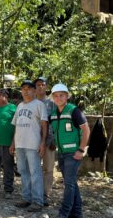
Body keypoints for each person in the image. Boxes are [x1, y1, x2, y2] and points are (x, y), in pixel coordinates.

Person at [50, 83, 90, 218]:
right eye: (55, 96)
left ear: (67, 96)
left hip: (73, 154)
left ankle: (64, 213)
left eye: (61, 95)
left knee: (68, 184)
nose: (58, 98)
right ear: (53, 98)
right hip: (61, 154)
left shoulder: (74, 111)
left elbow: (86, 129)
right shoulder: (54, 114)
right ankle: (77, 213)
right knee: (71, 183)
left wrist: (81, 149)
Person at [9, 80, 48, 212]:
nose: (26, 91)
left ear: (34, 91)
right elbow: (16, 126)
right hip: (20, 144)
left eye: (29, 88)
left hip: (33, 144)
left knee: (35, 173)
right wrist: (13, 143)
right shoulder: (19, 106)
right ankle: (26, 198)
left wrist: (43, 143)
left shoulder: (39, 105)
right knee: (23, 172)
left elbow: (44, 125)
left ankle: (38, 201)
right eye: (23, 88)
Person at [34, 77, 56, 206]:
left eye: (43, 84)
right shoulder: (30, 102)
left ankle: (45, 194)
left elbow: (54, 123)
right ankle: (34, 192)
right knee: (34, 168)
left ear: (46, 87)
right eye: (38, 84)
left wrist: (53, 140)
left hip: (49, 141)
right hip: (33, 140)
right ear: (34, 87)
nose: (40, 87)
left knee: (48, 168)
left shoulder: (51, 104)